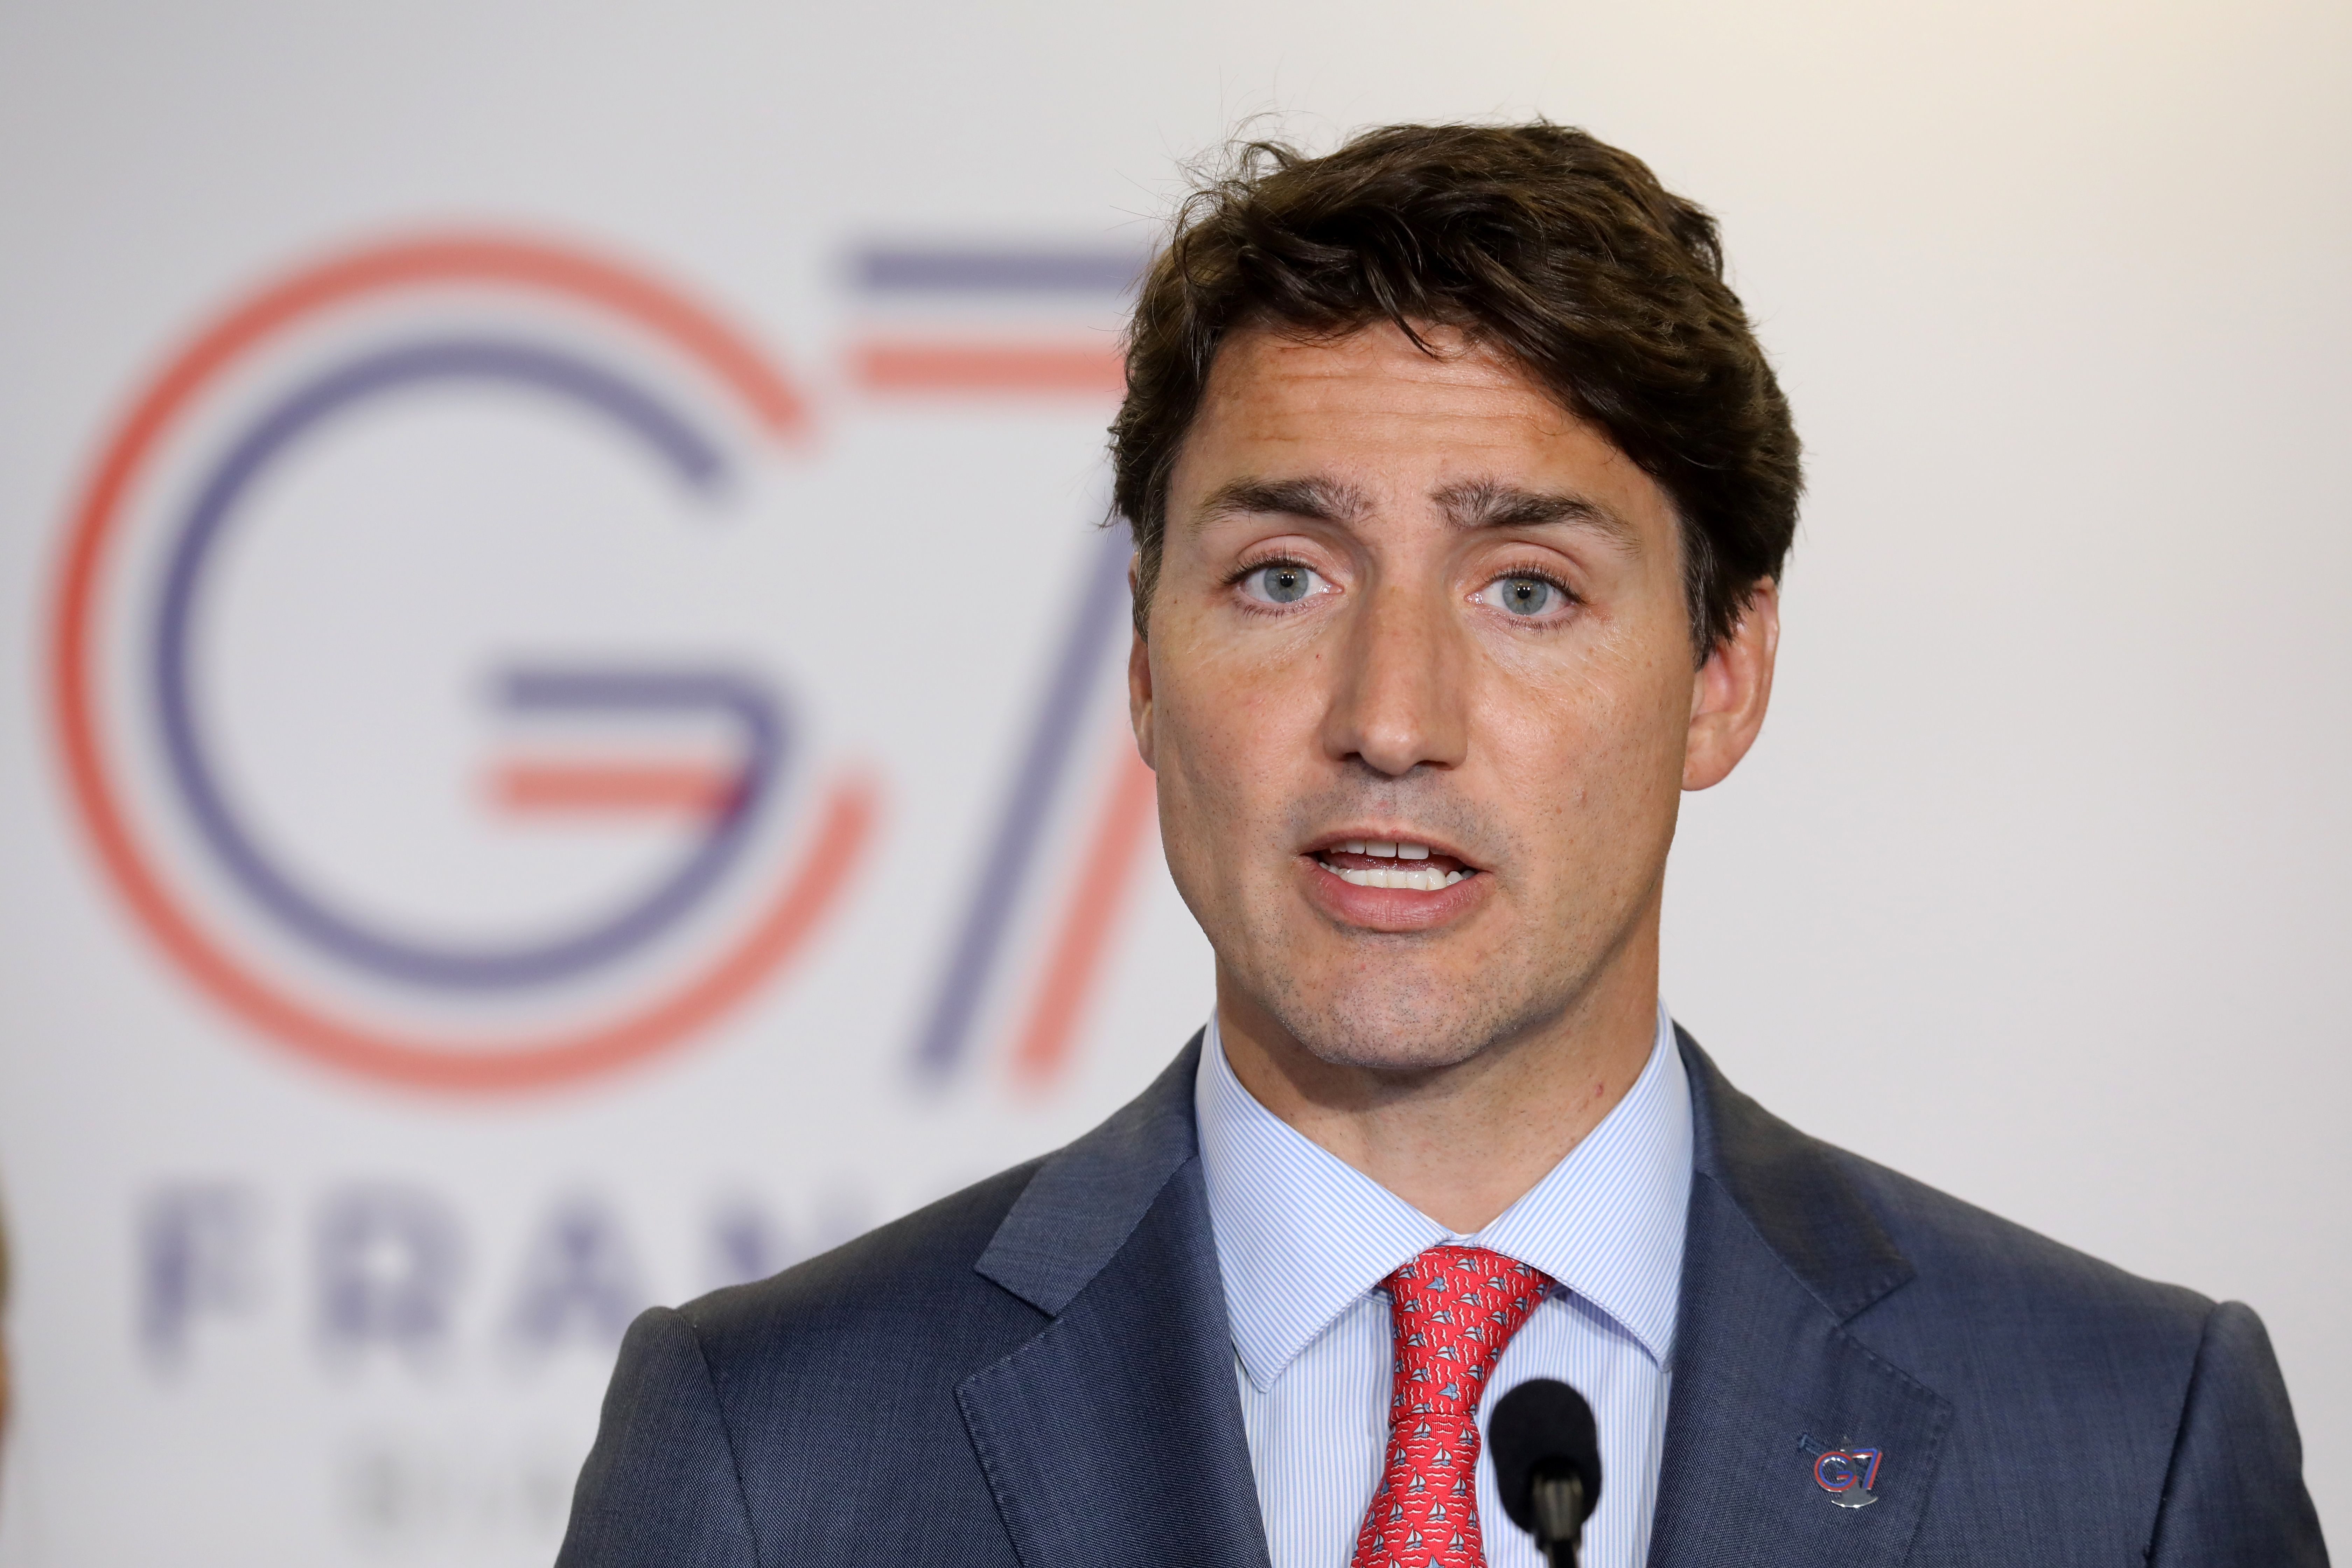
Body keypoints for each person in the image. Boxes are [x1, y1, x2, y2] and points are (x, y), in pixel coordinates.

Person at [556, 124, 2325, 1567]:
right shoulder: (769, 1449)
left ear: (1723, 674)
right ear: (1145, 666)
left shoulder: (2125, 1442)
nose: (1390, 716)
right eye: (1283, 576)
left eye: (1530, 589)